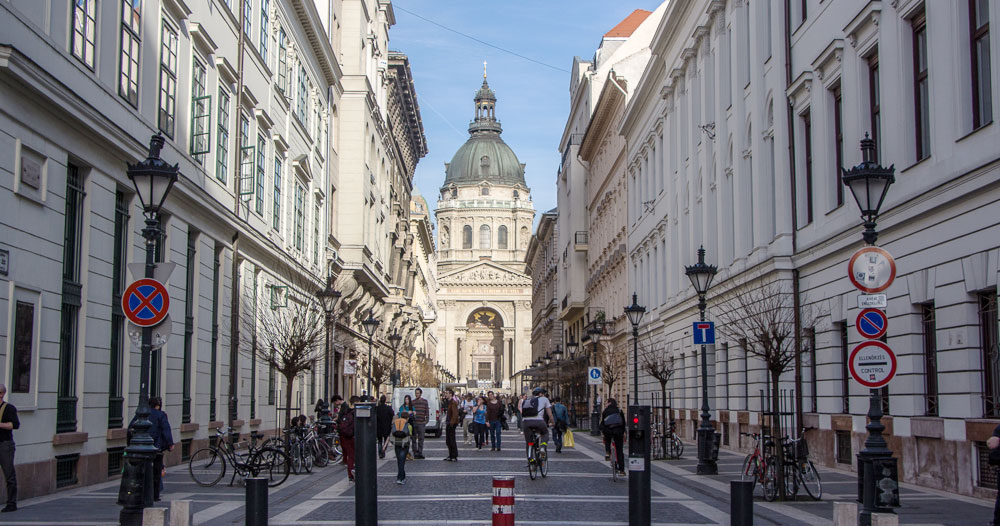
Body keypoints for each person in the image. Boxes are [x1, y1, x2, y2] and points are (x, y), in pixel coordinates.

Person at [128, 396, 174, 501]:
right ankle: (155, 493)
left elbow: (131, 428)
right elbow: (166, 429)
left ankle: (142, 490)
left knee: (142, 468)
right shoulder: (161, 415)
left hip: (140, 447)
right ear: (158, 406)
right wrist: (170, 443)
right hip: (156, 447)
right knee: (156, 469)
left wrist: (130, 444)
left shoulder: (140, 415)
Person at [0, 384, 20, 513]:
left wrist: (0, 424)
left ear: (2, 394)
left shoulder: (9, 408)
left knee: (9, 475)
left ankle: (11, 503)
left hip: (5, 445)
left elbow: (15, 425)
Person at [520, 388, 554, 452]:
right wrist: (553, 422)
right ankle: (543, 446)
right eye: (543, 393)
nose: (544, 395)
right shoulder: (545, 399)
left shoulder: (527, 400)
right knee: (545, 433)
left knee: (529, 441)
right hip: (539, 421)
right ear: (540, 393)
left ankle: (530, 455)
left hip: (526, 422)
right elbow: (550, 415)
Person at [600, 398, 626, 475]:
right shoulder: (619, 411)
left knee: (607, 438)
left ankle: (608, 452)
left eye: (606, 403)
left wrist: (603, 431)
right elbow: (623, 423)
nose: (605, 405)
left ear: (609, 403)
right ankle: (622, 471)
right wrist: (623, 432)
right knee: (619, 451)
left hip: (608, 431)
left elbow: (603, 423)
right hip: (618, 432)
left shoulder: (605, 411)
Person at [338, 396, 359, 482]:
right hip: (353, 436)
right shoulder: (356, 412)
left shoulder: (346, 411)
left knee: (350, 456)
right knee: (356, 456)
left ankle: (350, 474)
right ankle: (355, 472)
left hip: (346, 436)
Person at [392, 411, 412, 484]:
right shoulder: (408, 425)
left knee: (399, 460)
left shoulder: (395, 422)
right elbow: (410, 434)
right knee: (402, 461)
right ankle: (400, 478)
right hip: (404, 444)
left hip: (397, 443)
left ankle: (402, 476)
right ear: (407, 418)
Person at [411, 389, 429, 459]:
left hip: (421, 423)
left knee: (421, 439)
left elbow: (427, 411)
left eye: (418, 393)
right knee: (413, 439)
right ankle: (415, 452)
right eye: (416, 393)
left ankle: (420, 452)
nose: (416, 394)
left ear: (421, 394)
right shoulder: (413, 402)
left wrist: (426, 420)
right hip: (414, 423)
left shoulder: (425, 402)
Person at [443, 390, 460, 461]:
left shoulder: (453, 402)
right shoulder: (449, 402)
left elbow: (455, 414)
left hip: (451, 424)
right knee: (448, 440)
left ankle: (454, 455)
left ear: (450, 394)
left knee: (451, 440)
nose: (445, 395)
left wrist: (451, 423)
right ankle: (450, 455)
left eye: (447, 393)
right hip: (449, 423)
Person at [376, 395, 394, 459]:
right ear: (385, 400)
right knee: (386, 440)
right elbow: (392, 414)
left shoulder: (377, 408)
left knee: (379, 441)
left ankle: (380, 452)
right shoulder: (388, 408)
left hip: (379, 426)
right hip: (386, 426)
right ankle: (383, 450)